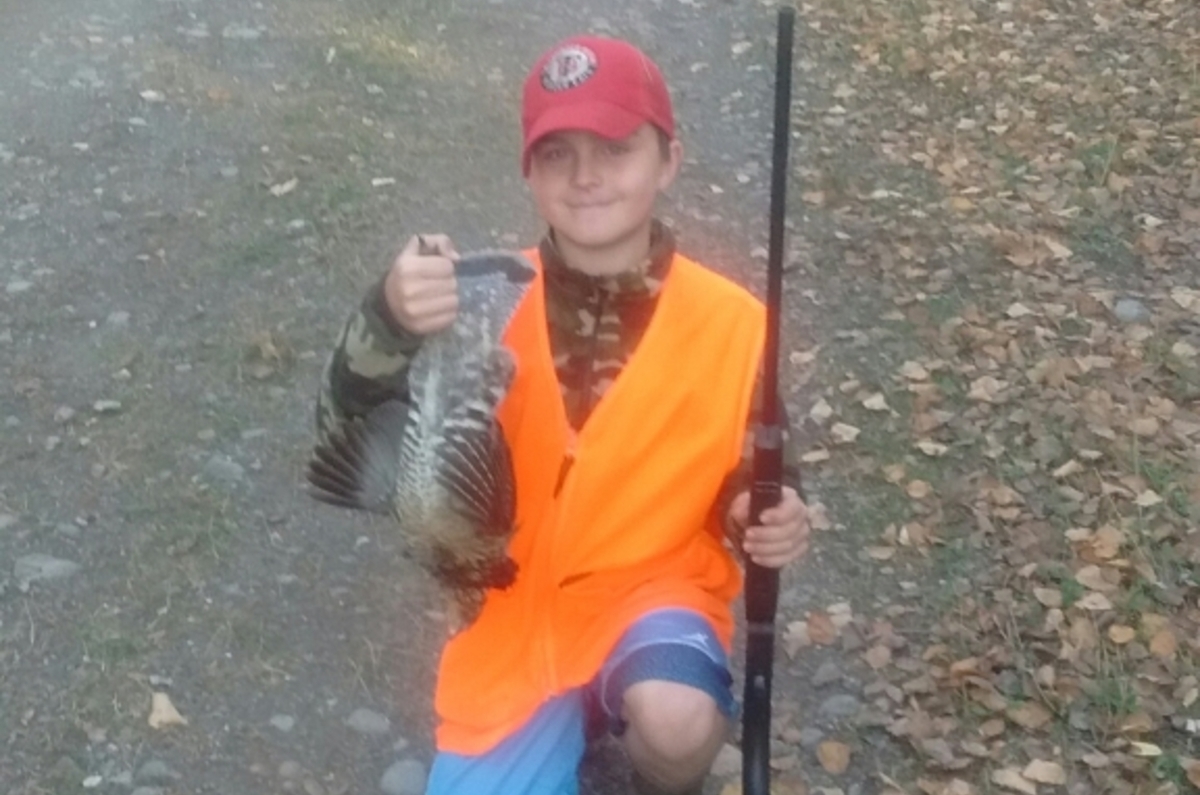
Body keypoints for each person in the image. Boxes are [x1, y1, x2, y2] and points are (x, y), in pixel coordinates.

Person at [314, 34, 810, 795]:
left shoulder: (735, 323)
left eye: (614, 148)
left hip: (654, 591)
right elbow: (344, 425)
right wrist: (388, 317)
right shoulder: (475, 299)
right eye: (557, 154)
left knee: (677, 724)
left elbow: (758, 467)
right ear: (529, 173)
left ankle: (650, 773)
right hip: (512, 621)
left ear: (667, 160)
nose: (585, 177)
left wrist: (761, 509)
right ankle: (567, 717)